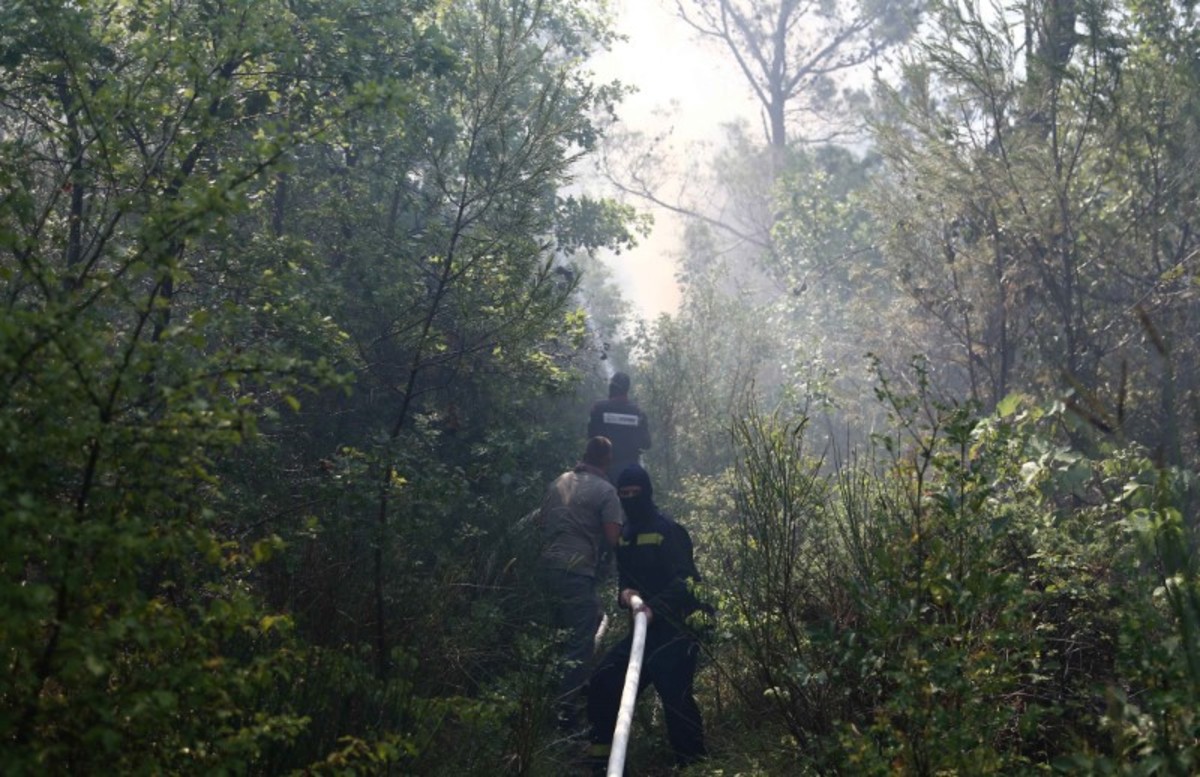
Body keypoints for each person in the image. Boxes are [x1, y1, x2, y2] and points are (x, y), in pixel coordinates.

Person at [585, 464, 710, 771]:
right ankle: (604, 763)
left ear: (647, 492)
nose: (629, 499)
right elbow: (625, 581)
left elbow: (687, 583)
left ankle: (694, 766)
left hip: (676, 631)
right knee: (604, 682)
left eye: (635, 493)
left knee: (676, 700)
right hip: (643, 633)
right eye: (623, 494)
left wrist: (655, 607)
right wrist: (625, 595)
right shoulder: (625, 536)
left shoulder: (668, 530)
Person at [538, 436, 624, 729]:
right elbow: (613, 538)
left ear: (584, 455)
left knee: (558, 632)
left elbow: (542, 522)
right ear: (607, 460)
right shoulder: (606, 491)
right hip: (575, 571)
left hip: (546, 568)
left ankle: (546, 694)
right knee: (580, 640)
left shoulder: (559, 482)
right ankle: (564, 710)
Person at [587, 372, 651, 482]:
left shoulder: (598, 409)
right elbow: (646, 444)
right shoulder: (638, 412)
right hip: (629, 473)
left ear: (611, 388)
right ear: (627, 389)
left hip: (602, 470)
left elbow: (591, 436)